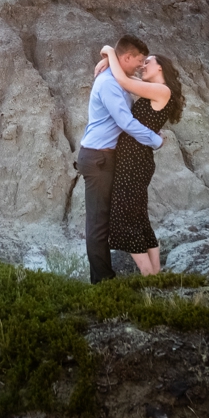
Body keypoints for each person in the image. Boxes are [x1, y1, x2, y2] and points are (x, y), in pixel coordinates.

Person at [77, 34, 160, 282]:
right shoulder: (109, 84)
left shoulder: (120, 77)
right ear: (127, 57)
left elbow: (129, 76)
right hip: (97, 158)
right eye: (139, 60)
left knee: (108, 218)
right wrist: (156, 140)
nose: (141, 66)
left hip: (105, 157)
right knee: (98, 222)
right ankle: (102, 281)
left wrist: (107, 54)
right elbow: (125, 122)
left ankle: (115, 276)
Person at [100, 48, 184, 275]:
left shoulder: (161, 90)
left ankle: (147, 275)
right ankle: (155, 274)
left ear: (160, 67)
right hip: (136, 159)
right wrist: (109, 63)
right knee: (137, 216)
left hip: (134, 161)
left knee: (123, 218)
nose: (142, 66)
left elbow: (121, 79)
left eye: (147, 62)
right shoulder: (157, 91)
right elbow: (125, 77)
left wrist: (109, 52)